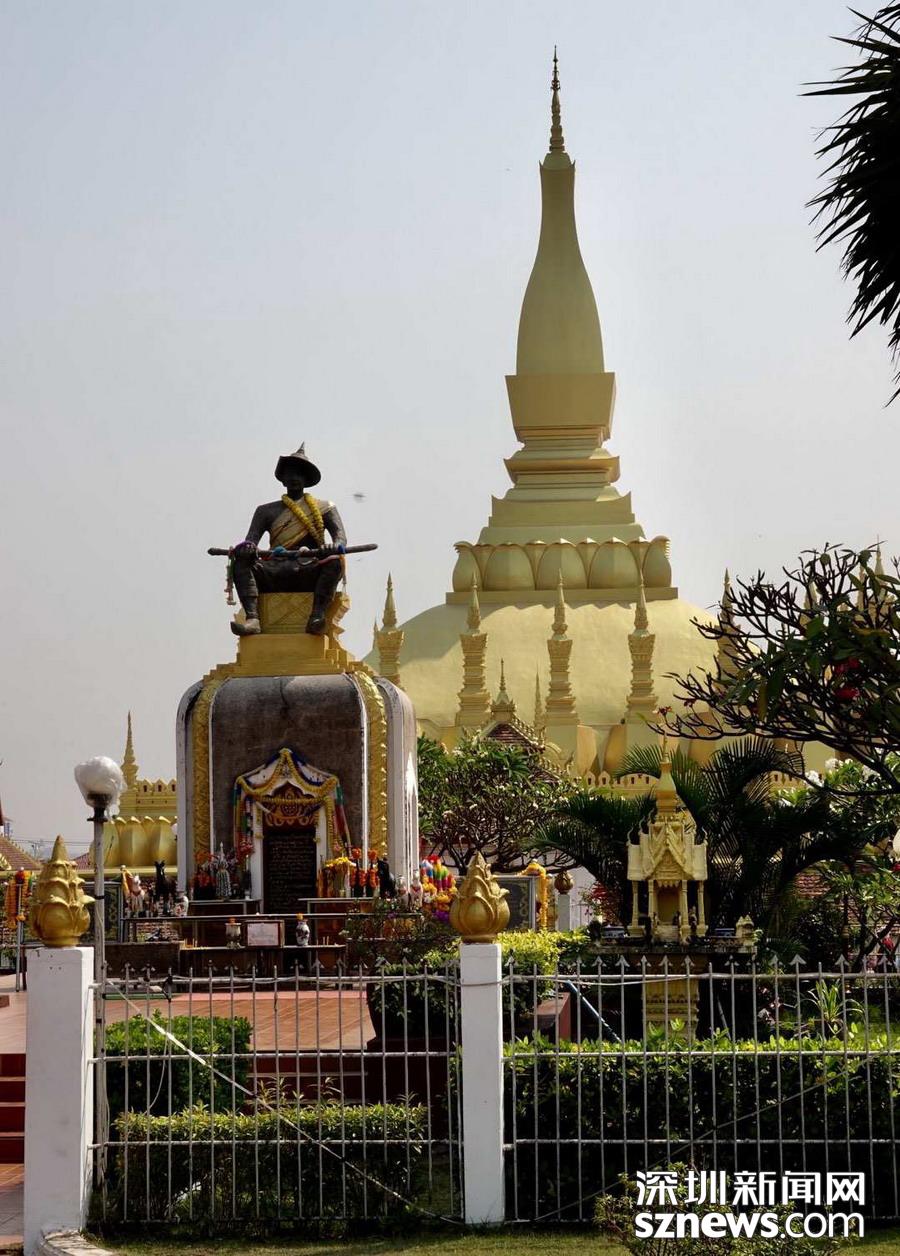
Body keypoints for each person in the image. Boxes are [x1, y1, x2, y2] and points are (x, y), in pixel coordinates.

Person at [230, 445, 347, 636]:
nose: (294, 477)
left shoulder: (325, 508)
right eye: (290, 473)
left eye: (299, 473)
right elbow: (250, 540)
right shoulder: (265, 511)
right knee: (241, 562)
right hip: (274, 570)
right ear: (282, 478)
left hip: (309, 568)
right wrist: (247, 548)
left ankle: (317, 616)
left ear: (306, 479)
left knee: (335, 562)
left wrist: (333, 546)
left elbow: (341, 538)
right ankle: (252, 618)